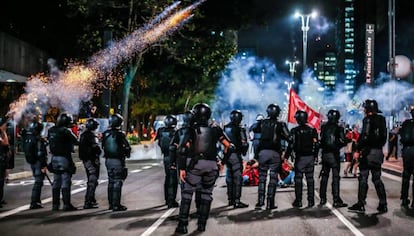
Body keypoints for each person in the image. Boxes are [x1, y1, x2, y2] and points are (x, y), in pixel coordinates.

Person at [175, 103, 233, 234]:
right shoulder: (215, 128)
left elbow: (183, 149)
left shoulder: (191, 128)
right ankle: (202, 224)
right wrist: (222, 162)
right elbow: (229, 146)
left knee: (187, 194)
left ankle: (183, 225)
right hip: (211, 165)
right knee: (207, 195)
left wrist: (182, 168)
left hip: (194, 165)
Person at [348, 99, 388, 213]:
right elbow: (384, 137)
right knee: (377, 179)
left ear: (367, 109)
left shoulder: (367, 120)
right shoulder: (382, 120)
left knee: (363, 178)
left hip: (368, 152)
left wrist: (358, 149)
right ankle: (383, 203)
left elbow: (365, 136)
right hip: (378, 152)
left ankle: (361, 203)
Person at [255, 104, 290, 210]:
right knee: (273, 178)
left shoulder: (262, 123)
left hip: (262, 152)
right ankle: (270, 202)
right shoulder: (280, 124)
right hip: (275, 152)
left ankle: (260, 201)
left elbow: (255, 132)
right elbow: (288, 137)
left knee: (262, 177)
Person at [285, 110, 319, 208]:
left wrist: (286, 156)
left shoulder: (294, 131)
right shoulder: (312, 130)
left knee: (298, 179)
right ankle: (311, 200)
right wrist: (315, 155)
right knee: (310, 179)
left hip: (300, 158)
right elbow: (317, 144)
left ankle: (299, 201)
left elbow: (290, 145)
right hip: (310, 157)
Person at [47, 113, 79, 211]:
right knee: (66, 181)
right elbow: (76, 141)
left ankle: (55, 205)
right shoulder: (66, 131)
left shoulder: (51, 130)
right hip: (64, 158)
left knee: (56, 182)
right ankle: (66, 204)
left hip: (54, 158)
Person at [318, 110, 348, 208]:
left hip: (325, 154)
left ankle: (322, 198)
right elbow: (343, 141)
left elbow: (321, 141)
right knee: (335, 178)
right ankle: (336, 199)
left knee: (324, 177)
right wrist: (339, 145)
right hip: (334, 155)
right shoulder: (339, 128)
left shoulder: (323, 127)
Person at [102, 113, 131, 211]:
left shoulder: (105, 133)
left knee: (111, 181)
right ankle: (116, 204)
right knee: (118, 181)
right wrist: (127, 153)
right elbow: (127, 147)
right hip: (117, 160)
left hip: (108, 160)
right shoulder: (120, 134)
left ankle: (111, 203)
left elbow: (103, 146)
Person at [223, 110, 249, 208]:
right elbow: (244, 143)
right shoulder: (240, 128)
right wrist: (244, 152)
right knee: (237, 178)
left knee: (229, 177)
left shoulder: (225, 127)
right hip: (235, 154)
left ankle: (230, 199)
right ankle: (237, 201)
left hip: (226, 154)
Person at [21, 116, 48, 209]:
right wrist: (44, 165)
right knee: (39, 181)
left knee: (38, 180)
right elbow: (41, 153)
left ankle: (36, 201)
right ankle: (34, 202)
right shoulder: (37, 139)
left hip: (32, 160)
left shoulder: (28, 135)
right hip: (38, 162)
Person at [154, 115, 179, 208]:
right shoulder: (175, 132)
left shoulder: (161, 131)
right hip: (173, 157)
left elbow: (158, 142)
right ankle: (171, 201)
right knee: (173, 179)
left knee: (168, 177)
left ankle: (167, 199)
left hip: (165, 156)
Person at [79, 118, 102, 209]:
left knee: (91, 179)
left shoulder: (83, 135)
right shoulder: (92, 136)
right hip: (91, 160)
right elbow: (96, 147)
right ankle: (88, 201)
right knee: (93, 180)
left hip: (86, 160)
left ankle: (91, 199)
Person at [398, 108, 414, 209]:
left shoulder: (406, 123)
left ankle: (404, 199)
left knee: (406, 176)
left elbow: (401, 137)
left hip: (407, 151)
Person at [0, 116, 10, 208]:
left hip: (2, 160)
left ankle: (1, 199)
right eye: (4, 125)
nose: (5, 127)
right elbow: (5, 143)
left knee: (1, 181)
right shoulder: (1, 134)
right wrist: (3, 132)